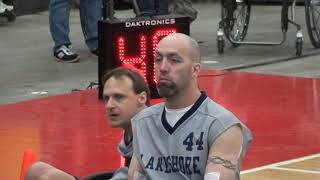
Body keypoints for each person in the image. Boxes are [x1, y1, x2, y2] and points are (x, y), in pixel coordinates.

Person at [128, 33, 253, 180]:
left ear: (195, 70)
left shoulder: (222, 127)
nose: (163, 67)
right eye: (158, 59)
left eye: (174, 60)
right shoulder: (143, 122)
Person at [24, 67, 150, 180]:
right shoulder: (131, 130)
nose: (109, 105)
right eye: (107, 98)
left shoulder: (154, 134)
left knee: (47, 177)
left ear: (141, 98)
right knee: (37, 170)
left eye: (119, 97)